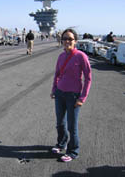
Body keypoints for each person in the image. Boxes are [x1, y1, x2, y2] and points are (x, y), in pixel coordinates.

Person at [50, 28, 92, 162]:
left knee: (72, 126)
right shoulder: (61, 56)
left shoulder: (81, 56)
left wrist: (82, 98)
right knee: (60, 123)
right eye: (65, 39)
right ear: (61, 41)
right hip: (60, 93)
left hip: (73, 96)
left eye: (70, 39)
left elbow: (88, 78)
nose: (67, 41)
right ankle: (61, 144)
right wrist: (54, 89)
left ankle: (73, 151)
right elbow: (57, 74)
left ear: (75, 41)